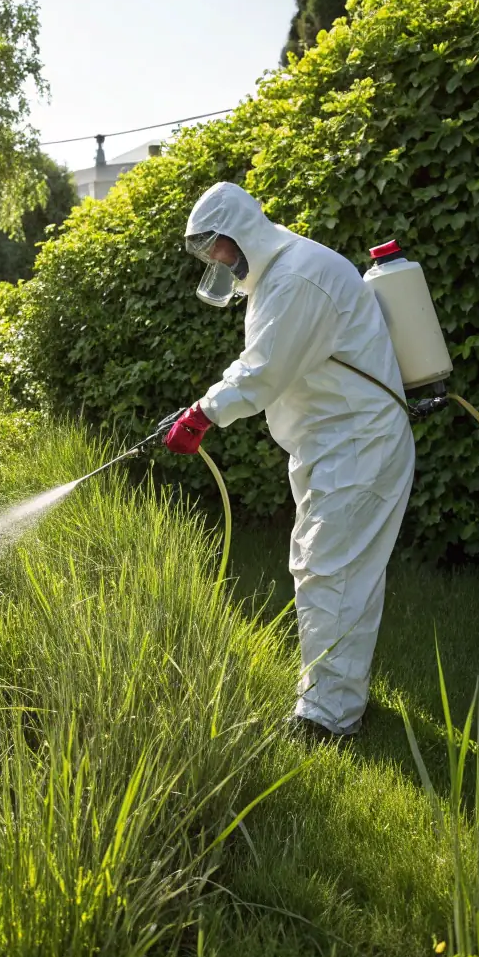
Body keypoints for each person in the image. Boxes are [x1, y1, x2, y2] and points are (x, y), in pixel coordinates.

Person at [162, 182, 415, 739]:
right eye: (207, 254)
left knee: (334, 572)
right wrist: (200, 407)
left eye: (218, 249)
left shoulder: (297, 275)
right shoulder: (279, 275)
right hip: (331, 445)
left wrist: (202, 414)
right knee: (318, 567)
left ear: (241, 232)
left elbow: (263, 371)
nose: (217, 262)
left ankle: (327, 718)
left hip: (358, 445)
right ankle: (331, 693)